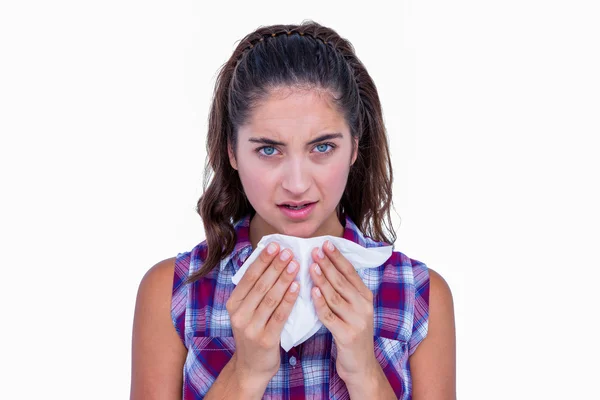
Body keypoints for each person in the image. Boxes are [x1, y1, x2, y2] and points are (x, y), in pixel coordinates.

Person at [130, 21, 456, 400]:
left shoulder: (419, 294)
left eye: (322, 148)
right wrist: (246, 372)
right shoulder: (173, 291)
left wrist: (365, 373)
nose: (297, 184)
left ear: (354, 146)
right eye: (269, 150)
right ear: (233, 152)